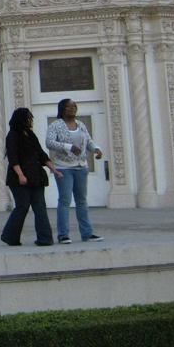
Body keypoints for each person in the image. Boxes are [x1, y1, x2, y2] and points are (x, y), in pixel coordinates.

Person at [0, 107, 62, 247]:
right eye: (29, 118)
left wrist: (54, 170)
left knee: (40, 207)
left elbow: (41, 154)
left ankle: (45, 238)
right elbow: (13, 157)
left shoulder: (30, 134)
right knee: (22, 206)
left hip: (36, 176)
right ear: (21, 119)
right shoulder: (13, 135)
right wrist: (20, 175)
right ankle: (10, 236)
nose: (31, 121)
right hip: (19, 178)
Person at [46, 98, 104, 244]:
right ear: (62, 109)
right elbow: (49, 142)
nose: (72, 109)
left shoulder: (81, 125)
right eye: (68, 106)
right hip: (64, 167)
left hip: (81, 167)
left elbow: (88, 141)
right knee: (65, 200)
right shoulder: (55, 125)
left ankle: (87, 233)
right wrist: (69, 147)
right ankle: (63, 235)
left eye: (74, 106)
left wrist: (96, 149)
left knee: (82, 200)